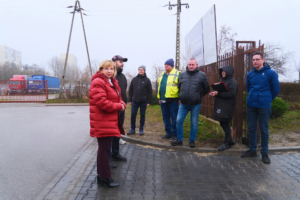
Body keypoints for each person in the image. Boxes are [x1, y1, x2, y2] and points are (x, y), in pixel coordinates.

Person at [89, 60, 126, 187]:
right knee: (104, 151)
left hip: (109, 121)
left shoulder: (112, 81)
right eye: (106, 69)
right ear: (101, 69)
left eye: (111, 68)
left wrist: (122, 104)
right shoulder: (98, 82)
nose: (109, 71)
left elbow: (119, 98)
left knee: (104, 150)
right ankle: (105, 178)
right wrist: (119, 106)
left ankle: (102, 176)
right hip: (102, 121)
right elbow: (102, 103)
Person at [241, 51, 280, 164]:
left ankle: (264, 153)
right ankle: (252, 150)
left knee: (264, 129)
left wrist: (267, 99)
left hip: (264, 106)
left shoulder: (271, 73)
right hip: (251, 105)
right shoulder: (250, 74)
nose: (255, 61)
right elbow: (249, 88)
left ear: (263, 60)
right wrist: (253, 97)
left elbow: (276, 89)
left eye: (257, 59)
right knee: (252, 128)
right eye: (253, 60)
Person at [170, 58, 209, 148]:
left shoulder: (202, 75)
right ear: (187, 65)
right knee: (179, 121)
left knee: (194, 123)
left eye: (192, 64)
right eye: (189, 64)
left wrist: (199, 96)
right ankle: (179, 140)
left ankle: (192, 141)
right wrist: (181, 96)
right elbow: (180, 87)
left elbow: (207, 88)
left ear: (196, 65)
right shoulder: (183, 75)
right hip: (183, 104)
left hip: (195, 104)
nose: (191, 66)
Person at [210, 65, 238, 151]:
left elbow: (231, 94)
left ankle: (226, 143)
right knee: (222, 122)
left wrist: (219, 94)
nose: (223, 73)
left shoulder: (233, 82)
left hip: (228, 106)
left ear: (229, 72)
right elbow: (221, 91)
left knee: (226, 124)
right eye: (222, 72)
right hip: (220, 105)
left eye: (224, 71)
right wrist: (215, 92)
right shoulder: (222, 81)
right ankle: (230, 140)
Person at [109, 55, 128, 163]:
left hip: (121, 109)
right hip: (112, 109)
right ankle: (108, 156)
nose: (122, 64)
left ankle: (116, 153)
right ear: (114, 62)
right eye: (120, 62)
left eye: (123, 62)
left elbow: (123, 91)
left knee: (117, 132)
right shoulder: (110, 76)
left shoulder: (123, 77)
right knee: (110, 133)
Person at [157, 58, 181, 142]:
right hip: (163, 100)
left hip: (173, 100)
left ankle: (175, 134)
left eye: (168, 64)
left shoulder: (177, 74)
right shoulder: (162, 74)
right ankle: (168, 132)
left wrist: (180, 98)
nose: (166, 66)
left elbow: (181, 87)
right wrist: (160, 98)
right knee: (165, 117)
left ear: (172, 66)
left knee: (174, 117)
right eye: (165, 64)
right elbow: (159, 87)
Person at [127, 65, 152, 135]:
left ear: (144, 71)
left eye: (142, 70)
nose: (140, 71)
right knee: (133, 114)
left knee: (142, 115)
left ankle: (141, 129)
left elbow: (150, 92)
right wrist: (130, 100)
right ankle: (132, 129)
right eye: (139, 69)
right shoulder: (134, 79)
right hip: (135, 101)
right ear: (138, 70)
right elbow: (130, 90)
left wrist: (149, 102)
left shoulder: (147, 80)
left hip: (143, 101)